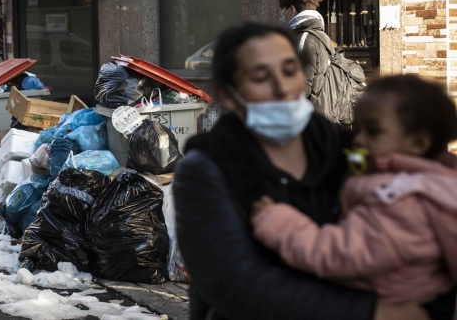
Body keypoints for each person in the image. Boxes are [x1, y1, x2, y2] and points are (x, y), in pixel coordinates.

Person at [173, 22, 456, 320]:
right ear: (229, 95)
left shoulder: (348, 149)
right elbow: (235, 284)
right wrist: (369, 311)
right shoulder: (206, 169)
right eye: (260, 77)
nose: (282, 88)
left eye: (290, 70)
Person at [251, 75, 457, 304]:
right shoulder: (408, 185)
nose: (357, 140)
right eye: (357, 129)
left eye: (373, 131)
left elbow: (338, 255)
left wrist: (278, 222)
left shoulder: (402, 202)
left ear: (417, 144)